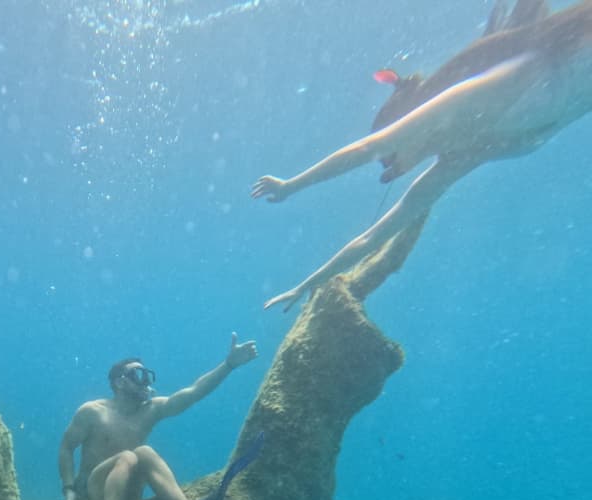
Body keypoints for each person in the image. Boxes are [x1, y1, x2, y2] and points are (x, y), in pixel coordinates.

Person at [251, 0, 592, 311]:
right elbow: (377, 234)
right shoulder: (465, 152)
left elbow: (368, 148)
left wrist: (291, 186)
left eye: (390, 160)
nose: (389, 173)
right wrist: (310, 282)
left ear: (407, 122)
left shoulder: (475, 97)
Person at [58, 334, 258, 500]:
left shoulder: (151, 410)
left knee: (143, 451)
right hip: (92, 492)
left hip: (128, 492)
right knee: (128, 456)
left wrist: (228, 365)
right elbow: (66, 448)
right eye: (137, 374)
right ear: (119, 382)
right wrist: (69, 491)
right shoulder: (93, 412)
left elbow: (192, 393)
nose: (145, 381)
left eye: (147, 375)